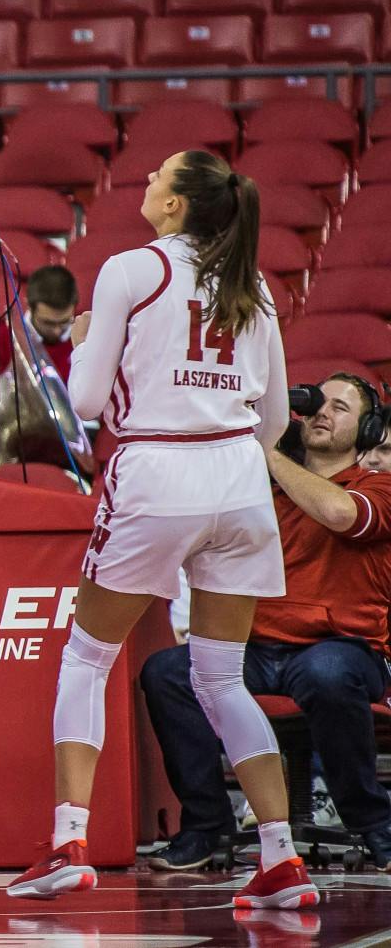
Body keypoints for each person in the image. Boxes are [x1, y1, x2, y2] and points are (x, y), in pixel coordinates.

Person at [6, 151, 311, 911]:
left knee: (86, 655)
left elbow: (78, 400)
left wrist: (80, 338)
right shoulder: (254, 285)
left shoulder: (130, 270)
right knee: (220, 677)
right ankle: (280, 856)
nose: (143, 182)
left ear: (176, 206)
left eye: (156, 176)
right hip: (241, 477)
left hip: (159, 471)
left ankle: (68, 841)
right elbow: (275, 422)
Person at [141, 373, 391, 872]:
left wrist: (266, 454)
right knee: (167, 672)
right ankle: (205, 827)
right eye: (317, 404)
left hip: (347, 648)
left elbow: (341, 514)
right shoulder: (255, 490)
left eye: (340, 408)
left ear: (367, 429)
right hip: (254, 649)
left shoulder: (378, 485)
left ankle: (373, 824)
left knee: (327, 672)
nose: (321, 412)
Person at [24, 265, 80, 381]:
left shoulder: (89, 336)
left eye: (65, 322)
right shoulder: (4, 338)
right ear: (29, 306)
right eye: (48, 323)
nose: (56, 331)